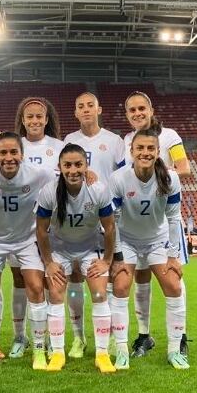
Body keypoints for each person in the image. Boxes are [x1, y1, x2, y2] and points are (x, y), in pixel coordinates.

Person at [0, 132, 55, 371]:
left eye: (13, 152)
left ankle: (39, 349)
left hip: (27, 238)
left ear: (22, 154)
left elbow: (65, 179)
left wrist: (88, 174)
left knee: (36, 287)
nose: (9, 157)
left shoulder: (39, 174)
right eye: (3, 153)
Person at [109, 129, 189, 370]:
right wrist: (117, 257)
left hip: (158, 240)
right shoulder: (119, 179)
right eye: (140, 148)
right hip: (128, 241)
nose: (145, 153)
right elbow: (112, 222)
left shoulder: (170, 178)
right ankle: (122, 350)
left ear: (157, 152)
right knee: (121, 286)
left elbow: (174, 218)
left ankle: (175, 350)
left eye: (150, 149)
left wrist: (174, 256)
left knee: (174, 286)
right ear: (131, 151)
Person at [35, 144, 117, 373]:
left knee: (100, 293)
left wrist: (107, 261)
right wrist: (49, 262)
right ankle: (59, 353)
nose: (73, 170)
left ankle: (101, 354)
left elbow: (109, 228)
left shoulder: (98, 189)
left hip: (91, 248)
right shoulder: (49, 192)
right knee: (56, 293)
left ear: (86, 166)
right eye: (67, 165)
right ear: (59, 167)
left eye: (78, 164)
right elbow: (41, 231)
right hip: (60, 249)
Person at [122, 91, 191, 359]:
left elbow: (184, 168)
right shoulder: (127, 140)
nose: (137, 114)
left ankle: (180, 335)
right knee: (140, 277)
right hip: (136, 222)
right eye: (132, 110)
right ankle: (143, 336)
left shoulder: (170, 136)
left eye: (141, 108)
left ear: (151, 110)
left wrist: (156, 176)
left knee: (173, 278)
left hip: (164, 220)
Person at [63, 92, 127, 358]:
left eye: (90, 105)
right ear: (75, 112)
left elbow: (124, 175)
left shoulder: (114, 141)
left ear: (99, 109)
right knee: (75, 278)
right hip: (80, 219)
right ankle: (79, 338)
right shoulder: (69, 141)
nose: (86, 110)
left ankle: (111, 337)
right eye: (81, 106)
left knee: (110, 276)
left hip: (110, 216)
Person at [3, 97, 66, 359]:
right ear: (22, 119)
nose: (35, 121)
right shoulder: (14, 146)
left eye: (39, 116)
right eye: (30, 116)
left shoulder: (59, 147)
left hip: (50, 225)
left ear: (47, 119)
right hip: (19, 224)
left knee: (51, 281)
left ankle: (53, 337)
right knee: (20, 280)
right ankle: (20, 336)